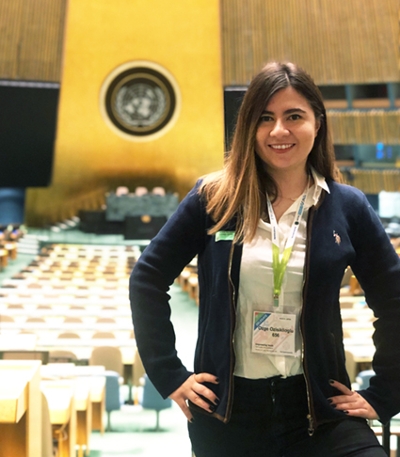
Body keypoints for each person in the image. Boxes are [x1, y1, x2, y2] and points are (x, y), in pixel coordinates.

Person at [129, 61, 400, 456]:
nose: (279, 131)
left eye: (294, 116)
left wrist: (385, 392)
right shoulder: (214, 198)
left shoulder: (348, 206)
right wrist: (169, 374)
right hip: (228, 413)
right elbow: (147, 279)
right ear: (249, 128)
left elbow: (394, 301)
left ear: (317, 124)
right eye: (265, 118)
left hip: (319, 411)